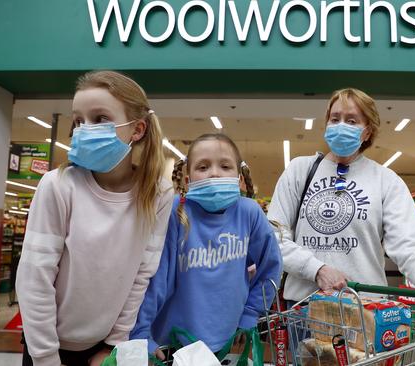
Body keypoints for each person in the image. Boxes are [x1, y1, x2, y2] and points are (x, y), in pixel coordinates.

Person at [16, 71, 174, 366]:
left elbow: (142, 273)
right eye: (78, 120)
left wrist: (115, 343)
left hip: (103, 346)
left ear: (137, 129)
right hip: (45, 344)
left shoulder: (158, 193)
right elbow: (34, 278)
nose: (84, 129)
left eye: (100, 118)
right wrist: (46, 357)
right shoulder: (58, 185)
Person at [267, 88, 415, 311]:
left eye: (352, 121)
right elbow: (275, 238)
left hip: (366, 310)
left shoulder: (386, 181)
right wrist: (317, 269)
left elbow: (408, 245)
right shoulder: (299, 171)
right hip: (304, 308)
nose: (341, 126)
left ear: (368, 132)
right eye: (335, 119)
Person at [130, 133, 283, 359]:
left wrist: (251, 313)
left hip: (227, 340)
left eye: (225, 166)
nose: (214, 173)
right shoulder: (176, 213)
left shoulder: (249, 213)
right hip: (173, 342)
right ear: (188, 181)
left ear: (239, 178)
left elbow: (270, 267)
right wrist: (141, 333)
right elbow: (155, 279)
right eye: (203, 167)